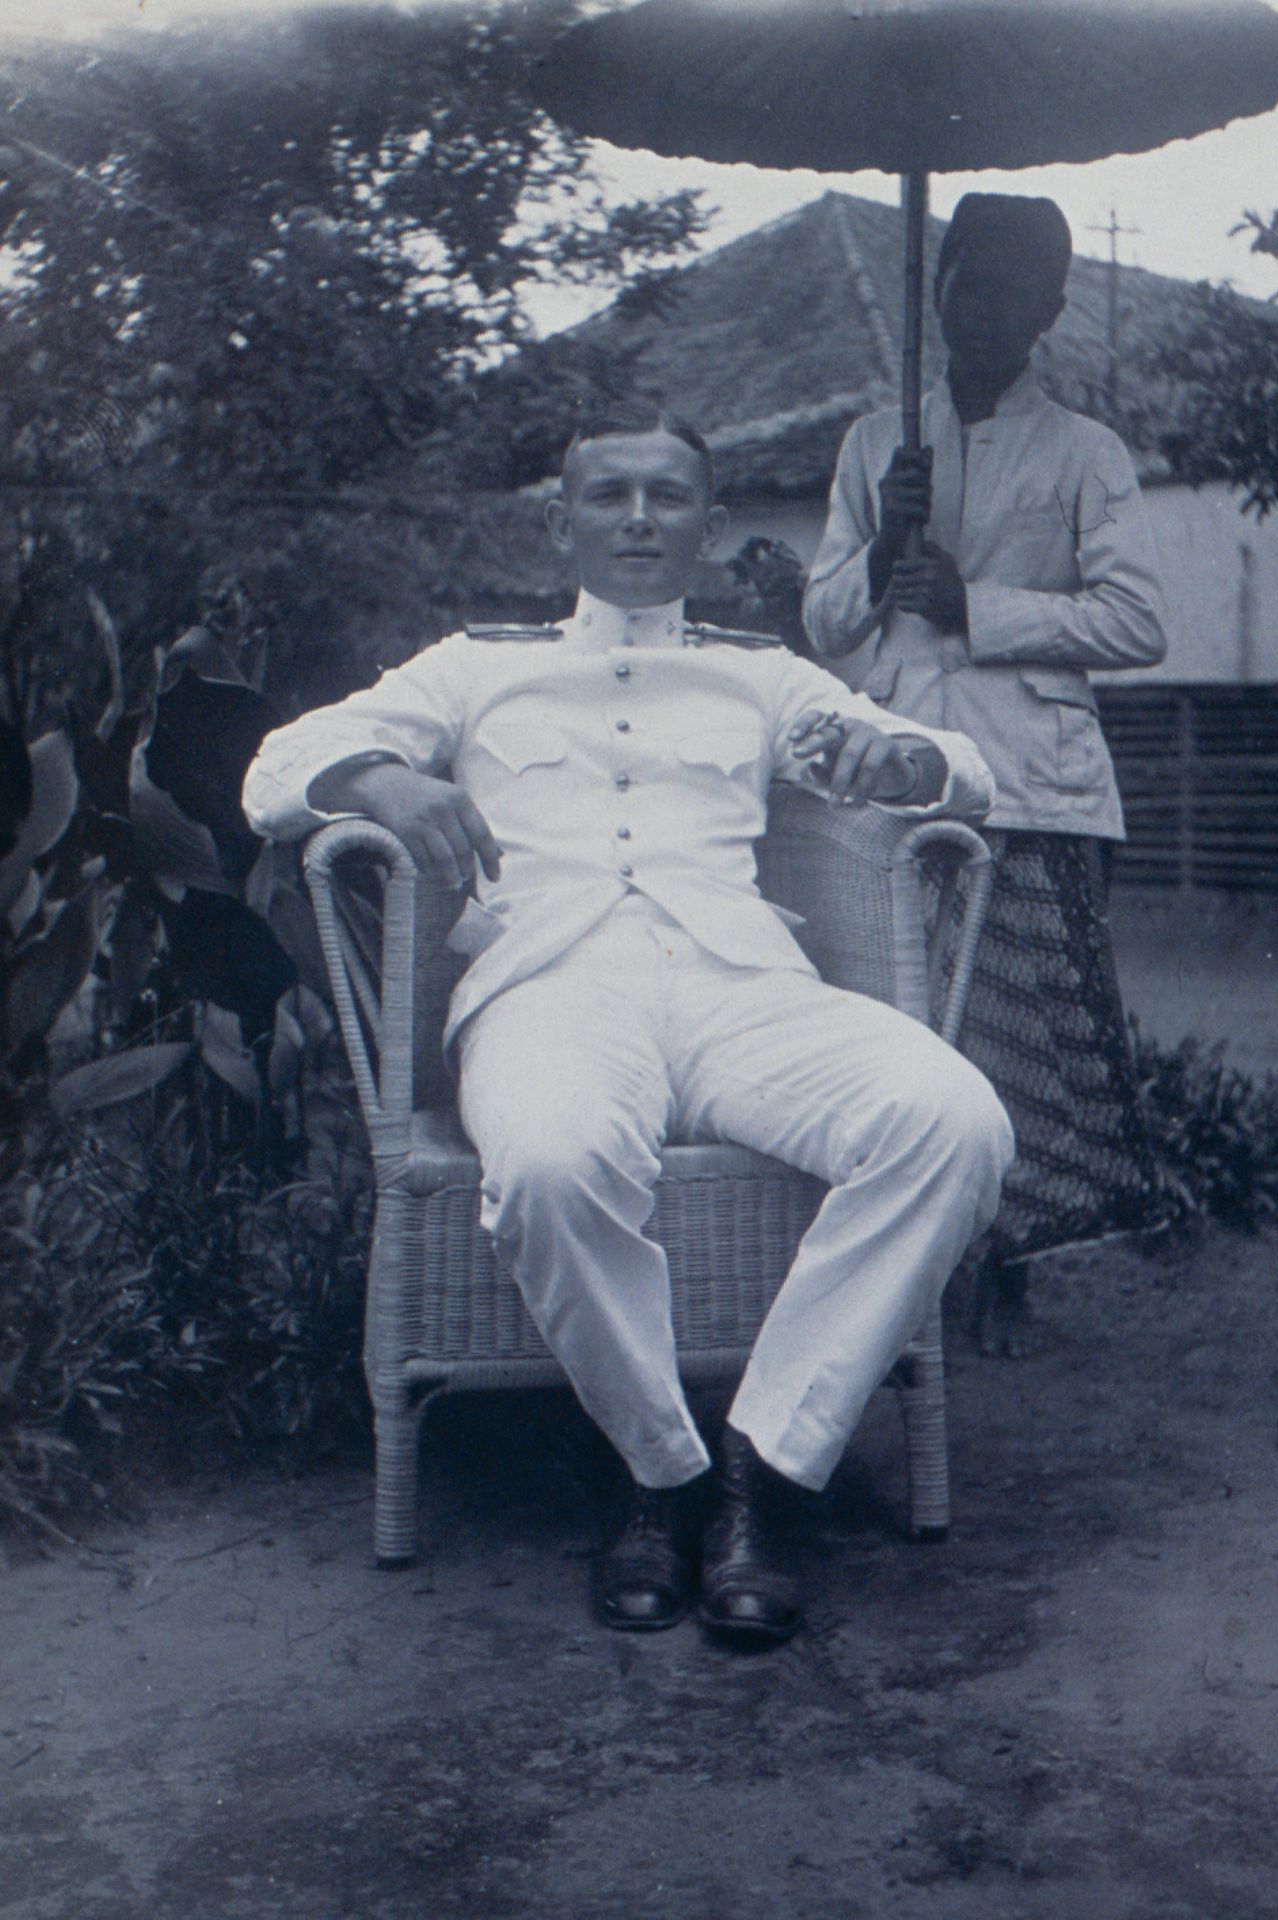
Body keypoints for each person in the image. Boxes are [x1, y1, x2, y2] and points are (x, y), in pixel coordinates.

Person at [244, 404, 1014, 1645]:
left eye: (669, 496)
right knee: (548, 1163)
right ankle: (663, 1469)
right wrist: (385, 779)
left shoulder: (760, 675)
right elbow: (277, 766)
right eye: (611, 496)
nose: (641, 518)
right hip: (551, 987)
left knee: (955, 1120)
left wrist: (897, 764)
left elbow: (964, 769)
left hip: (738, 986)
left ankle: (765, 1463)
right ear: (564, 522)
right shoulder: (474, 664)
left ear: (711, 527)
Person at [803, 193, 1168, 1351]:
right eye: (967, 279)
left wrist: (980, 606)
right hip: (904, 770)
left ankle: (1006, 1257)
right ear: (939, 284)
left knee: (1016, 1035)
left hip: (1034, 777)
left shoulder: (1085, 454)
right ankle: (918, 1260)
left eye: (1015, 290)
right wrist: (880, 544)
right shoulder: (878, 445)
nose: (984, 307)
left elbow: (1135, 622)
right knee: (905, 1024)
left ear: (1049, 311)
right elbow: (823, 624)